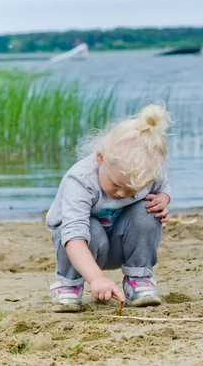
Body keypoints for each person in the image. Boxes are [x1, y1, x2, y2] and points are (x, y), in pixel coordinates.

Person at [45, 104, 172, 312]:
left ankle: (138, 280)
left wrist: (163, 199)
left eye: (131, 190)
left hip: (120, 242)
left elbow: (162, 186)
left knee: (147, 211)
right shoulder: (80, 180)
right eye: (116, 184)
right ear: (100, 157)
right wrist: (97, 278)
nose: (122, 194)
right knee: (88, 228)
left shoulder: (144, 173)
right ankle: (69, 285)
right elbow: (74, 235)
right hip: (83, 247)